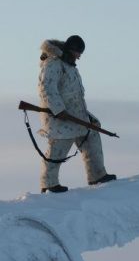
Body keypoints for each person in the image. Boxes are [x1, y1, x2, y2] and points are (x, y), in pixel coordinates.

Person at [36, 34, 115, 193]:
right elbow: (46, 89)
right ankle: (49, 184)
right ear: (71, 50)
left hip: (76, 117)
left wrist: (88, 116)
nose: (79, 57)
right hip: (59, 119)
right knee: (57, 151)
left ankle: (97, 175)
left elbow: (75, 97)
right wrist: (58, 111)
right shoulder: (53, 64)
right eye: (78, 53)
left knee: (91, 136)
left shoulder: (70, 67)